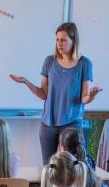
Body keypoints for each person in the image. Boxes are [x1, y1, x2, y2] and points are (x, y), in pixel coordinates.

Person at [9, 23, 102, 165]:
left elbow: (84, 97)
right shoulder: (49, 62)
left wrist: (92, 95)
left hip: (71, 123)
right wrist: (25, 82)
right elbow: (43, 94)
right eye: (57, 39)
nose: (59, 43)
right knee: (49, 166)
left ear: (73, 41)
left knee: (70, 166)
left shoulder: (84, 64)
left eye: (63, 40)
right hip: (48, 124)